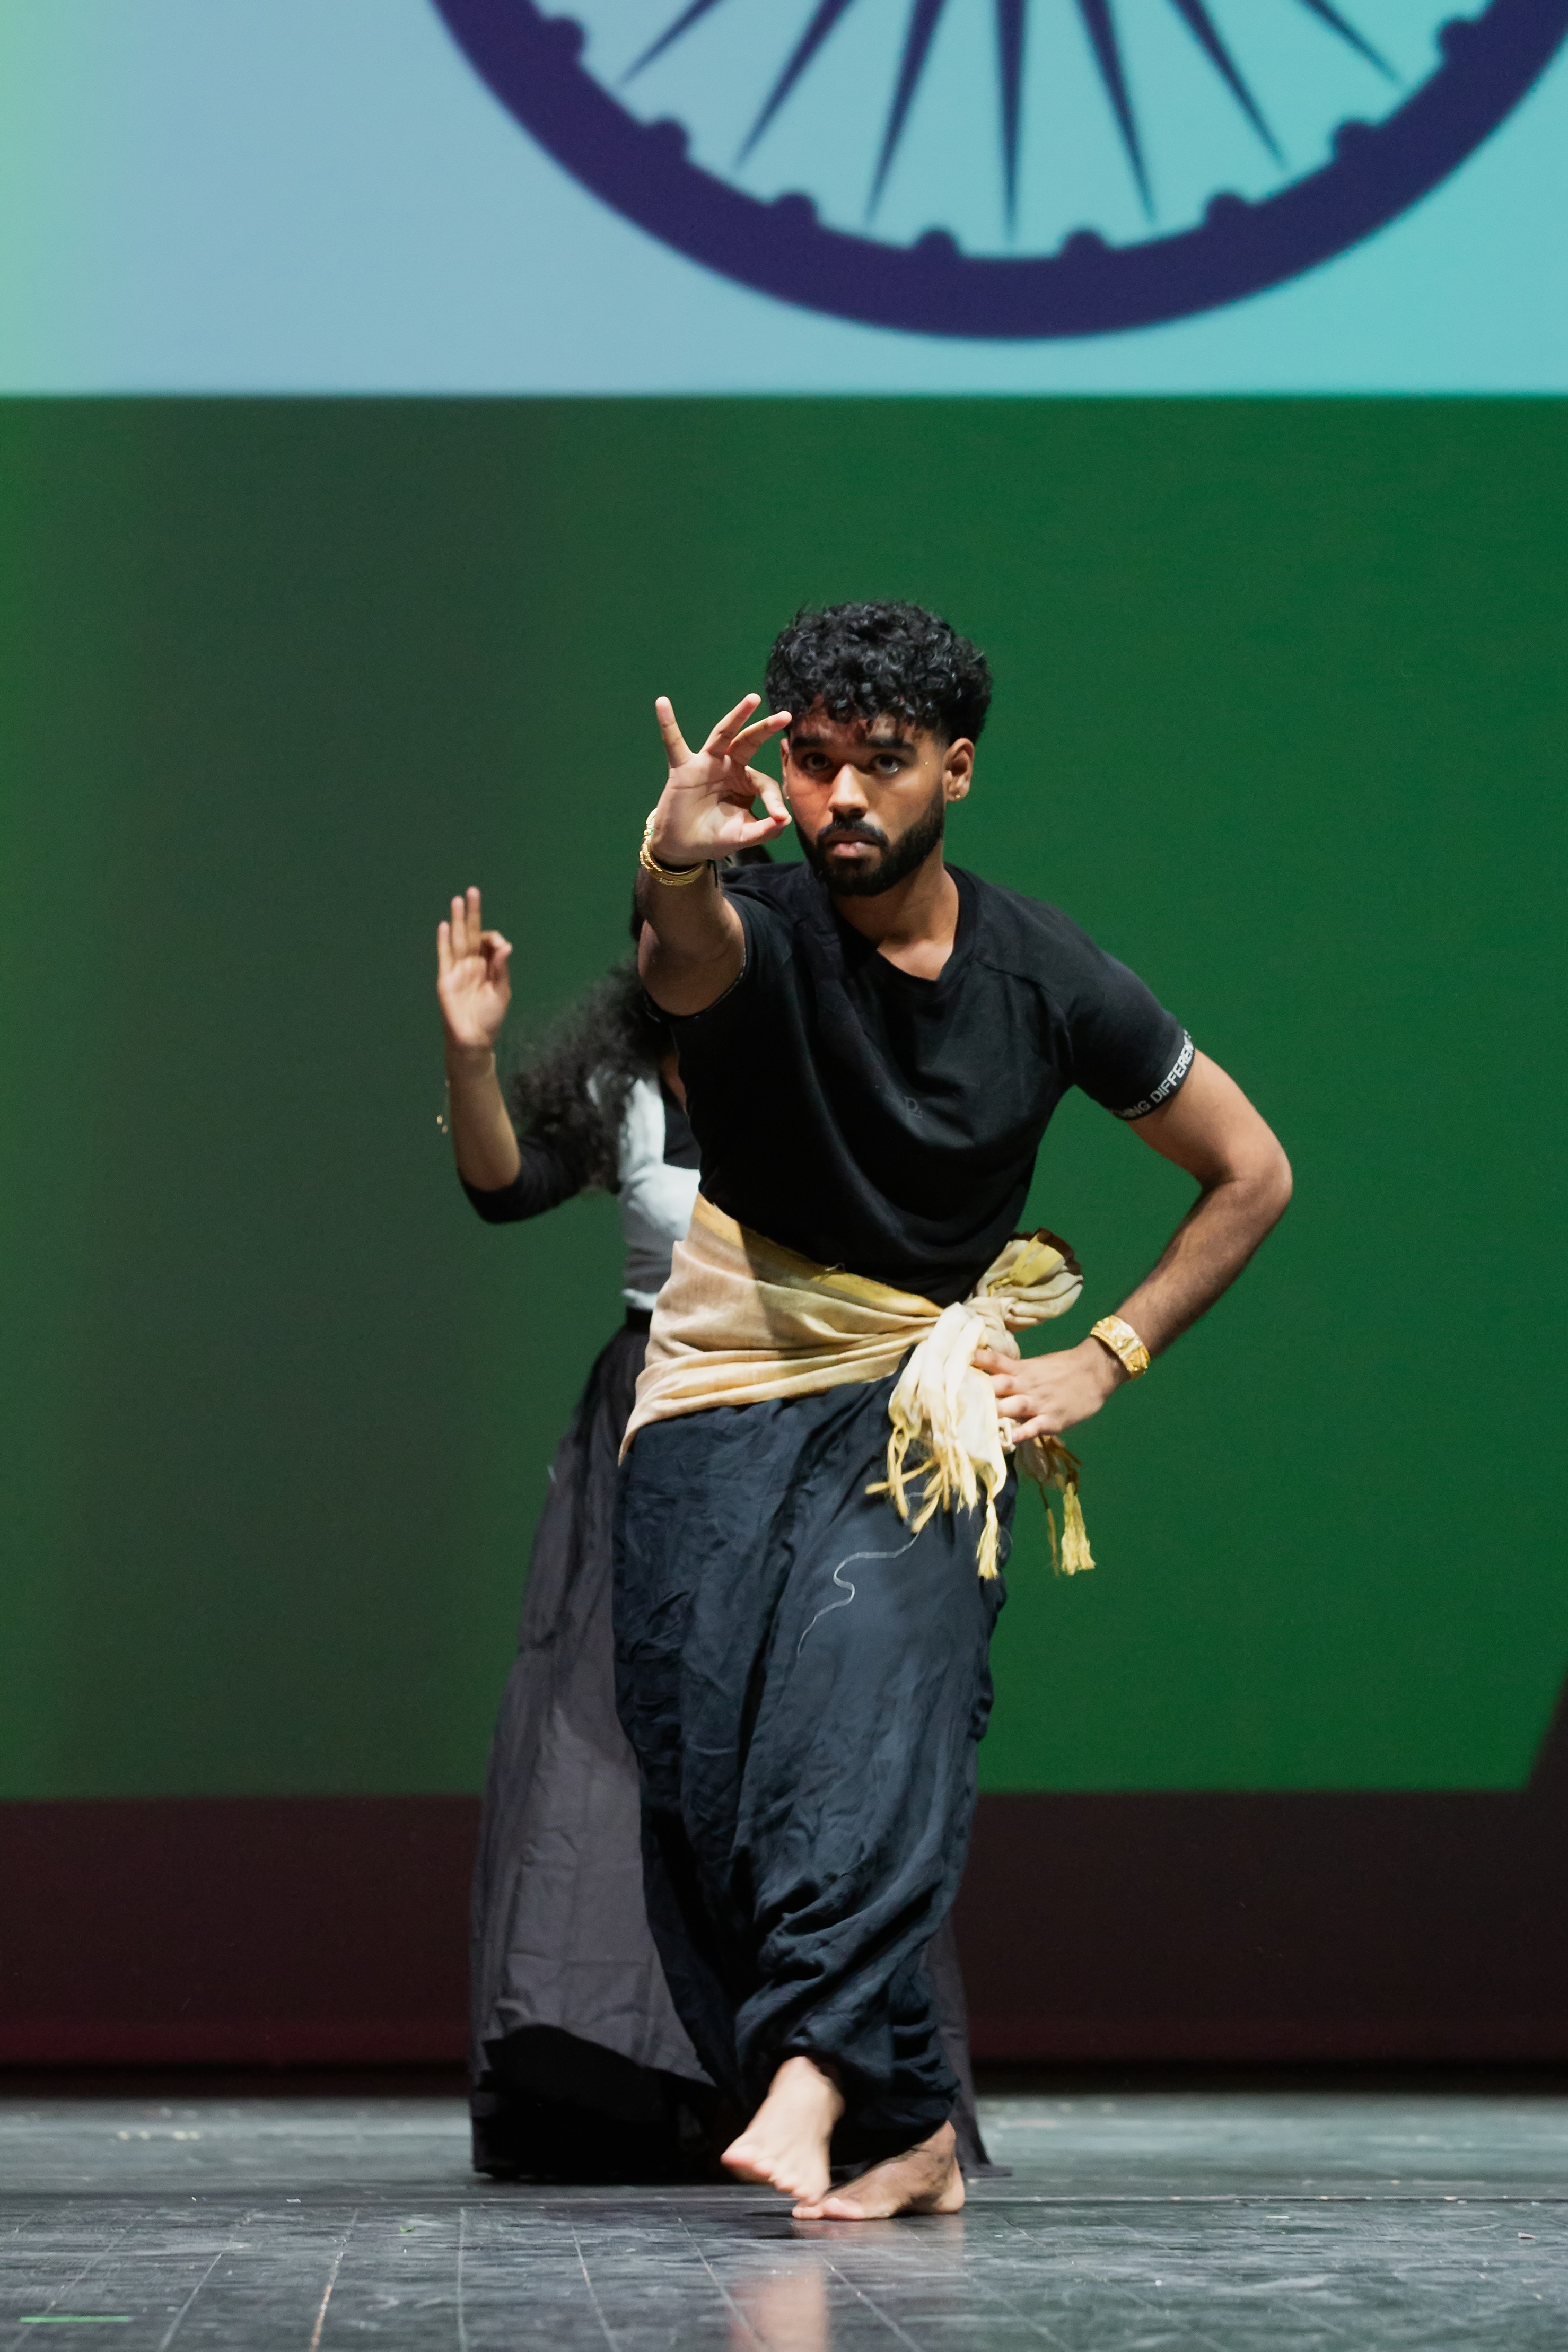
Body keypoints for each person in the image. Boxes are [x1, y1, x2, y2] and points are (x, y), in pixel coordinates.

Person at [615, 600, 1293, 2221]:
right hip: (727, 1365)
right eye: (816, 762)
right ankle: (910, 2119)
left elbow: (1248, 1169)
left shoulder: (1044, 975)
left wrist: (1100, 1357)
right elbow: (684, 964)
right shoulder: (752, 916)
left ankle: (810, 2080)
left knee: (868, 1719)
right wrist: (670, 864)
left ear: (956, 770)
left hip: (923, 1398)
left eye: (884, 761)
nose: (843, 796)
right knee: (700, 1766)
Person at [435, 872, 995, 2179]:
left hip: (818, 1418)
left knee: (821, 1744)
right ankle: (632, 2085)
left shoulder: (833, 1069)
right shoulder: (630, 1088)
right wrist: (469, 1056)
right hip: (658, 1425)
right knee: (635, 1754)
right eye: (669, 927)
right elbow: (507, 1185)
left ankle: (847, 2082)